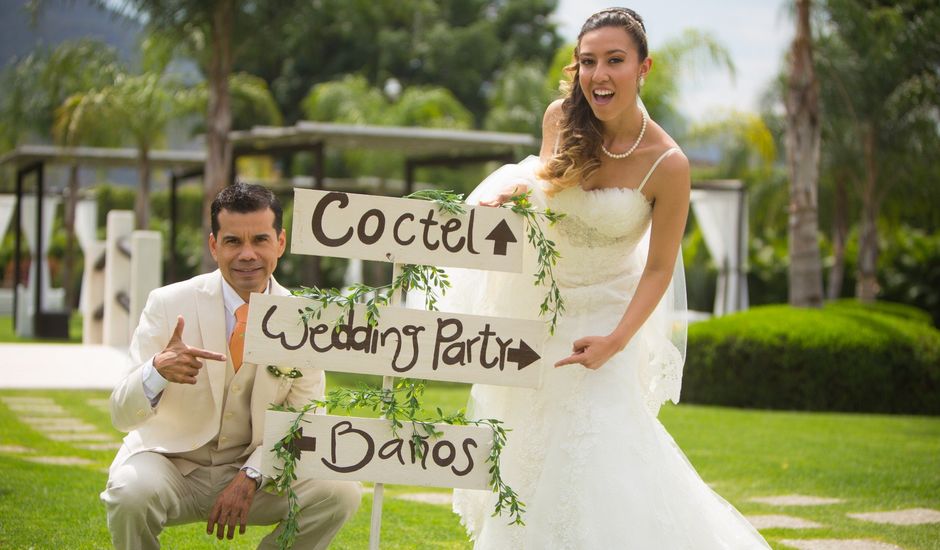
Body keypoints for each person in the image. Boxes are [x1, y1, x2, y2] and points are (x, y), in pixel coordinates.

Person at [448, 8, 772, 549]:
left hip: (611, 317)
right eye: (588, 62)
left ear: (644, 67)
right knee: (531, 451)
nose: (599, 75)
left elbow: (661, 267)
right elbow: (548, 184)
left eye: (615, 61)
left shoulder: (668, 163)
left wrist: (616, 341)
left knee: (599, 445)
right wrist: (519, 196)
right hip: (544, 308)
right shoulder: (560, 119)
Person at [101, 182, 361, 549]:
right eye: (233, 242)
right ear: (214, 245)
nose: (247, 254)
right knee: (129, 494)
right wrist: (156, 371)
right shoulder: (167, 303)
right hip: (171, 465)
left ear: (280, 243)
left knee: (340, 491)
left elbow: (304, 419)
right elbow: (120, 415)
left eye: (260, 240)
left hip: (255, 471)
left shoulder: (303, 320)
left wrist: (252, 474)